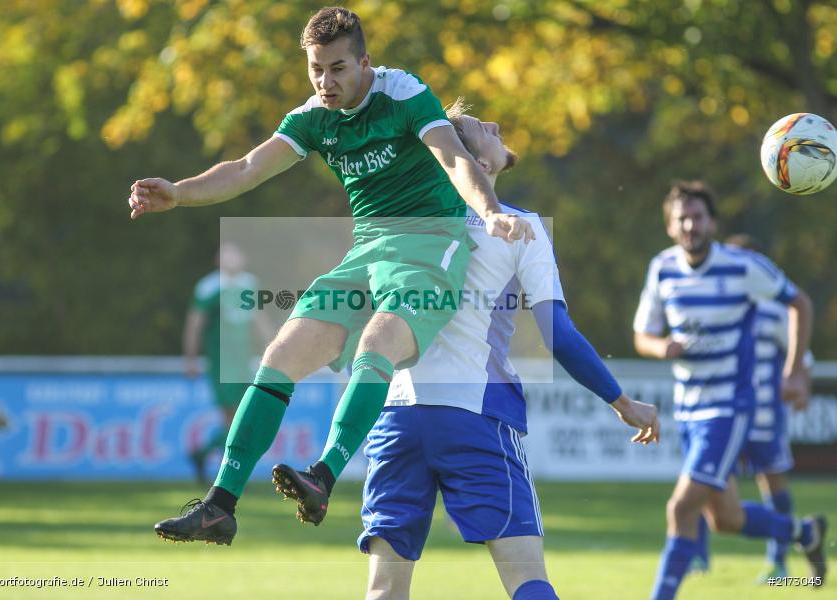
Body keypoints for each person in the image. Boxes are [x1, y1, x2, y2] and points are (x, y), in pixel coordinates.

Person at [132, 7, 536, 546]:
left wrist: (489, 212)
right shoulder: (313, 116)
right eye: (316, 69)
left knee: (376, 345)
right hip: (367, 253)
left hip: (429, 248)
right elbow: (248, 168)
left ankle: (322, 477)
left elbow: (455, 159)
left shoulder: (405, 93)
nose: (326, 81)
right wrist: (179, 192)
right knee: (278, 358)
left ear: (366, 62)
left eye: (339, 68)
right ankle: (219, 506)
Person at [341, 99, 660, 600]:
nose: (493, 124)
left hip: (397, 416)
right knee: (528, 580)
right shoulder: (520, 228)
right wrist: (623, 402)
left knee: (384, 592)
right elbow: (559, 336)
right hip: (475, 416)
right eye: (480, 129)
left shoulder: (406, 224)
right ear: (479, 164)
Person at [633, 181, 826, 599]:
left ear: (713, 223)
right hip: (686, 409)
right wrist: (660, 346)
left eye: (698, 217)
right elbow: (642, 335)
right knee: (726, 519)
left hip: (729, 408)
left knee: (680, 508)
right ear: (670, 226)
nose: (690, 225)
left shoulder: (743, 267)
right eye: (681, 218)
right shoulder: (662, 268)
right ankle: (805, 532)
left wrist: (795, 370)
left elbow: (801, 303)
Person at [691, 233, 813, 582]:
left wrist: (799, 382)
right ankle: (698, 557)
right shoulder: (714, 307)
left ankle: (779, 561)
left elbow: (801, 354)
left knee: (771, 481)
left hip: (762, 415)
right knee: (702, 482)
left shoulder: (772, 312)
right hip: (724, 411)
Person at [183, 242, 274, 485]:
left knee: (242, 421)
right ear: (218, 259)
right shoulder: (209, 287)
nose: (233, 258)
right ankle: (229, 478)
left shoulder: (249, 284)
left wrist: (275, 347)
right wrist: (190, 358)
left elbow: (258, 318)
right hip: (221, 363)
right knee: (233, 419)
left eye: (237, 253)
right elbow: (195, 323)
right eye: (227, 253)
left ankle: (203, 456)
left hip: (245, 363)